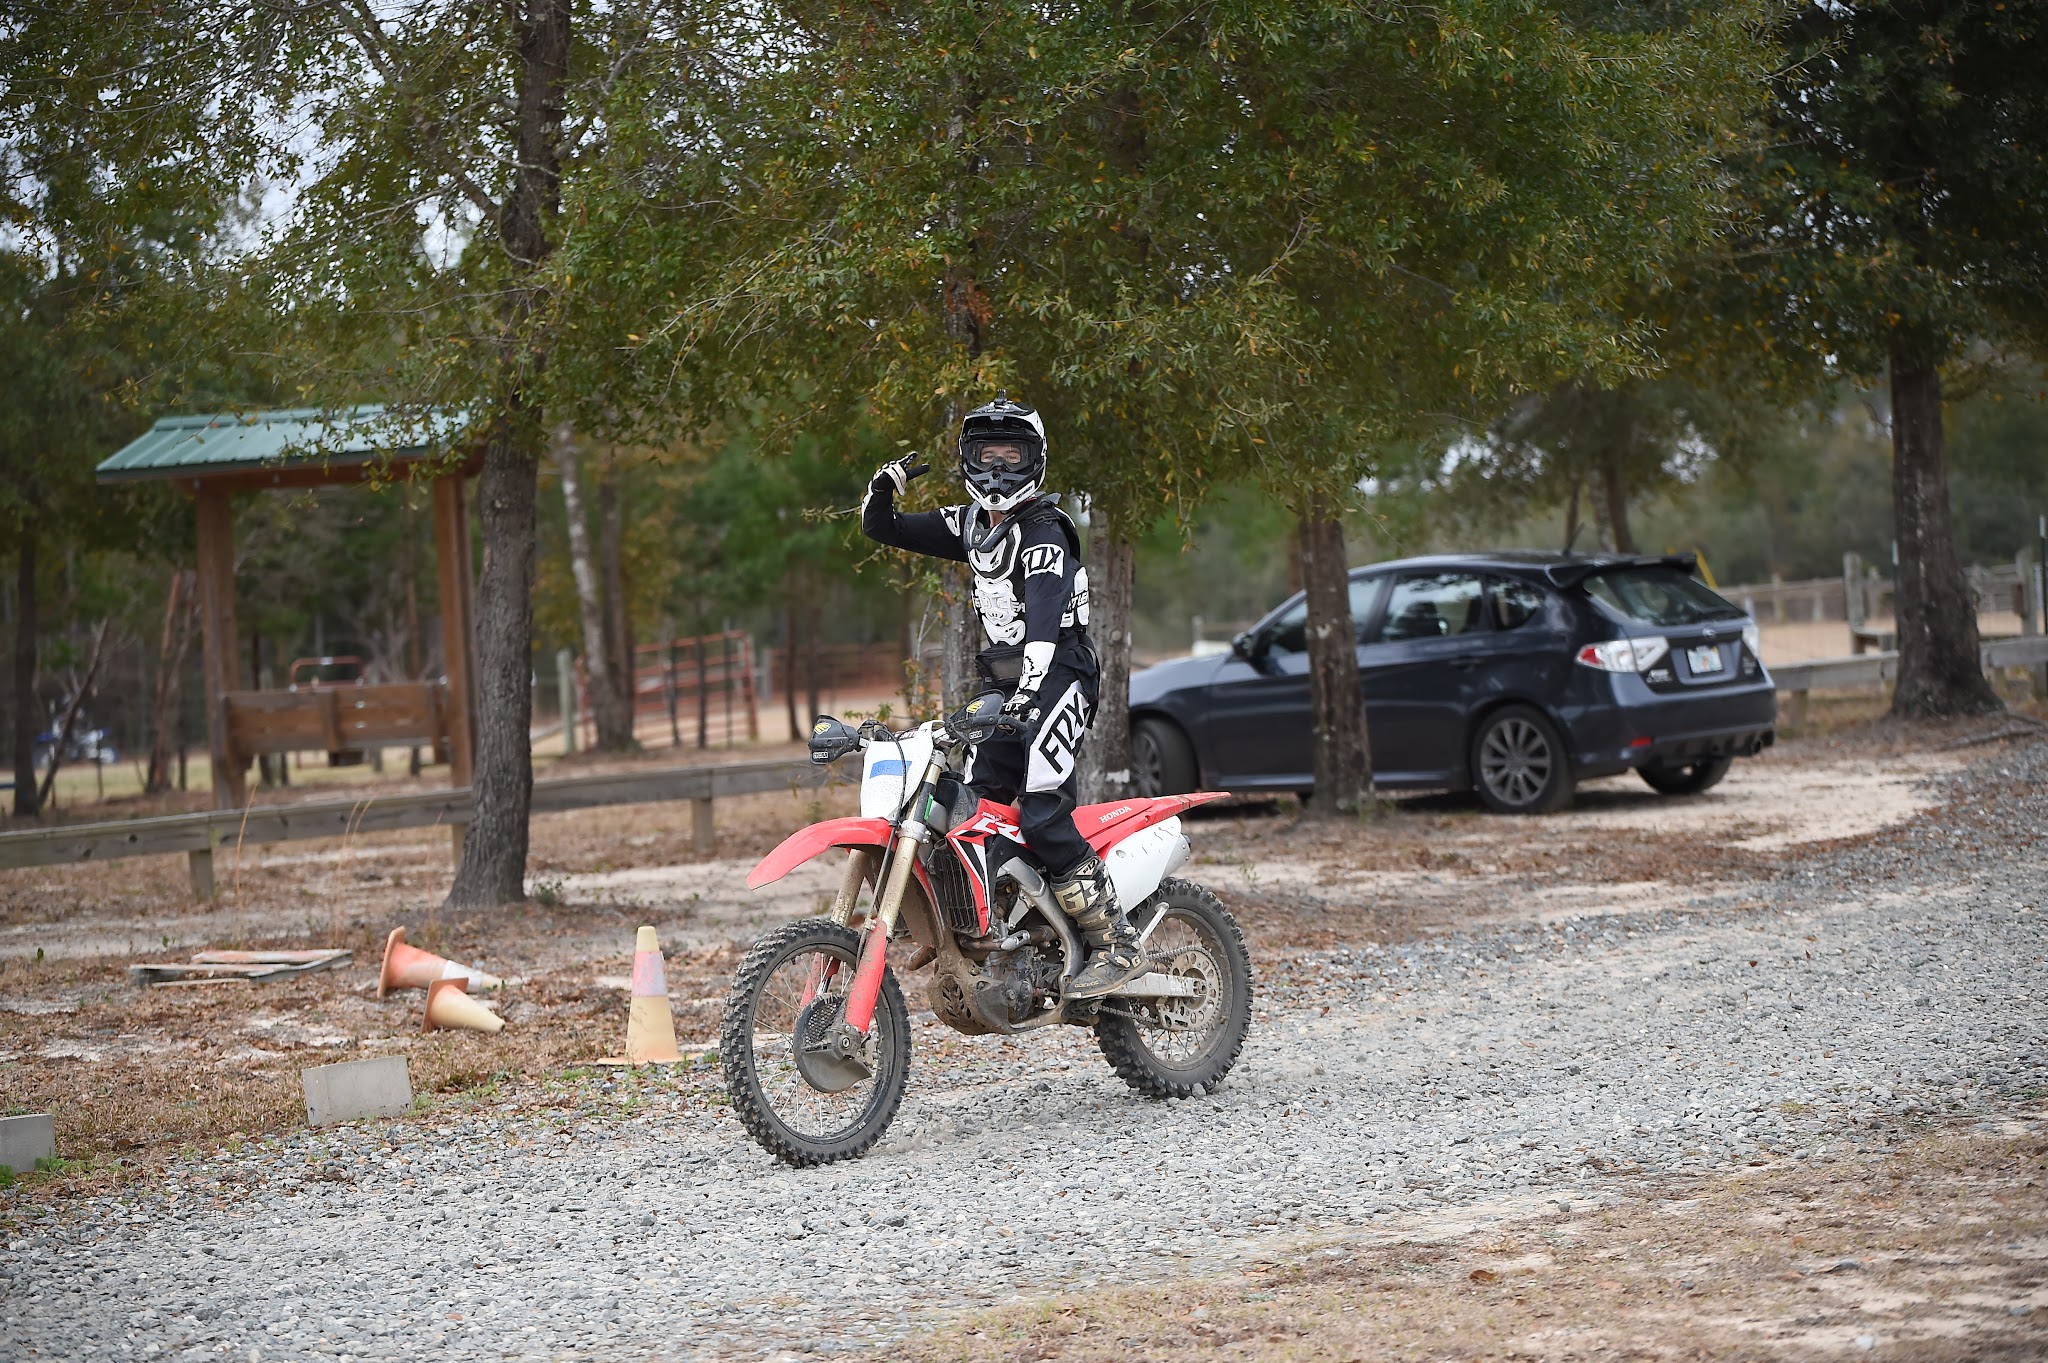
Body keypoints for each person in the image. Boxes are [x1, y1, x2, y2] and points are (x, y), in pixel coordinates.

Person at [861, 395, 1144, 998]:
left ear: (1034, 459)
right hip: (1004, 682)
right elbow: (880, 527)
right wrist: (884, 486)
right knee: (981, 807)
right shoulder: (968, 524)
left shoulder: (1044, 531)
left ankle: (1116, 942)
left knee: (1042, 810)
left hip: (1061, 672)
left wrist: (1031, 689)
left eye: (1010, 453)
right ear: (968, 457)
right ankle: (1004, 933)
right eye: (987, 452)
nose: (996, 467)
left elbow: (1043, 616)